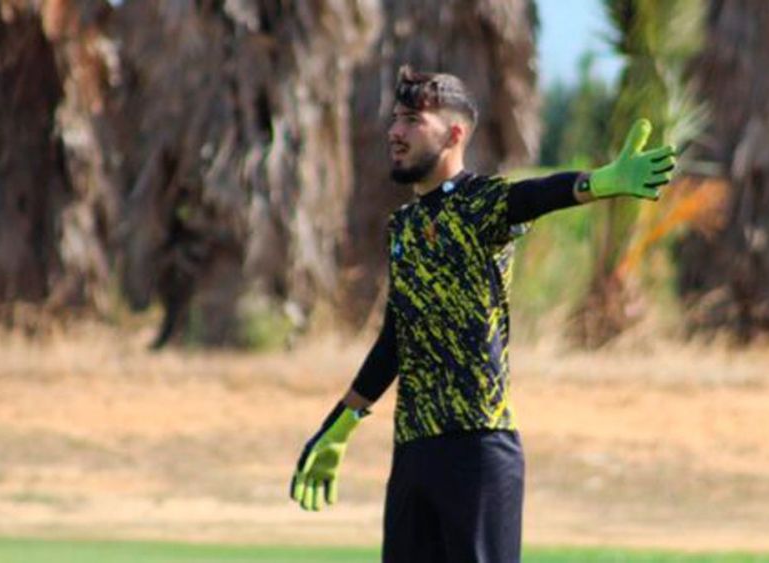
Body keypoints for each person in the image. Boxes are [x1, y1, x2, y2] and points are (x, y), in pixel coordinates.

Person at [290, 65, 676, 562]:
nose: (395, 132)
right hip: (414, 448)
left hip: (477, 447)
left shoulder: (481, 203)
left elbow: (533, 196)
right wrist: (342, 421)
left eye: (412, 120)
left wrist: (600, 183)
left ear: (454, 135)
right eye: (395, 119)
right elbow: (397, 336)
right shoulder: (404, 226)